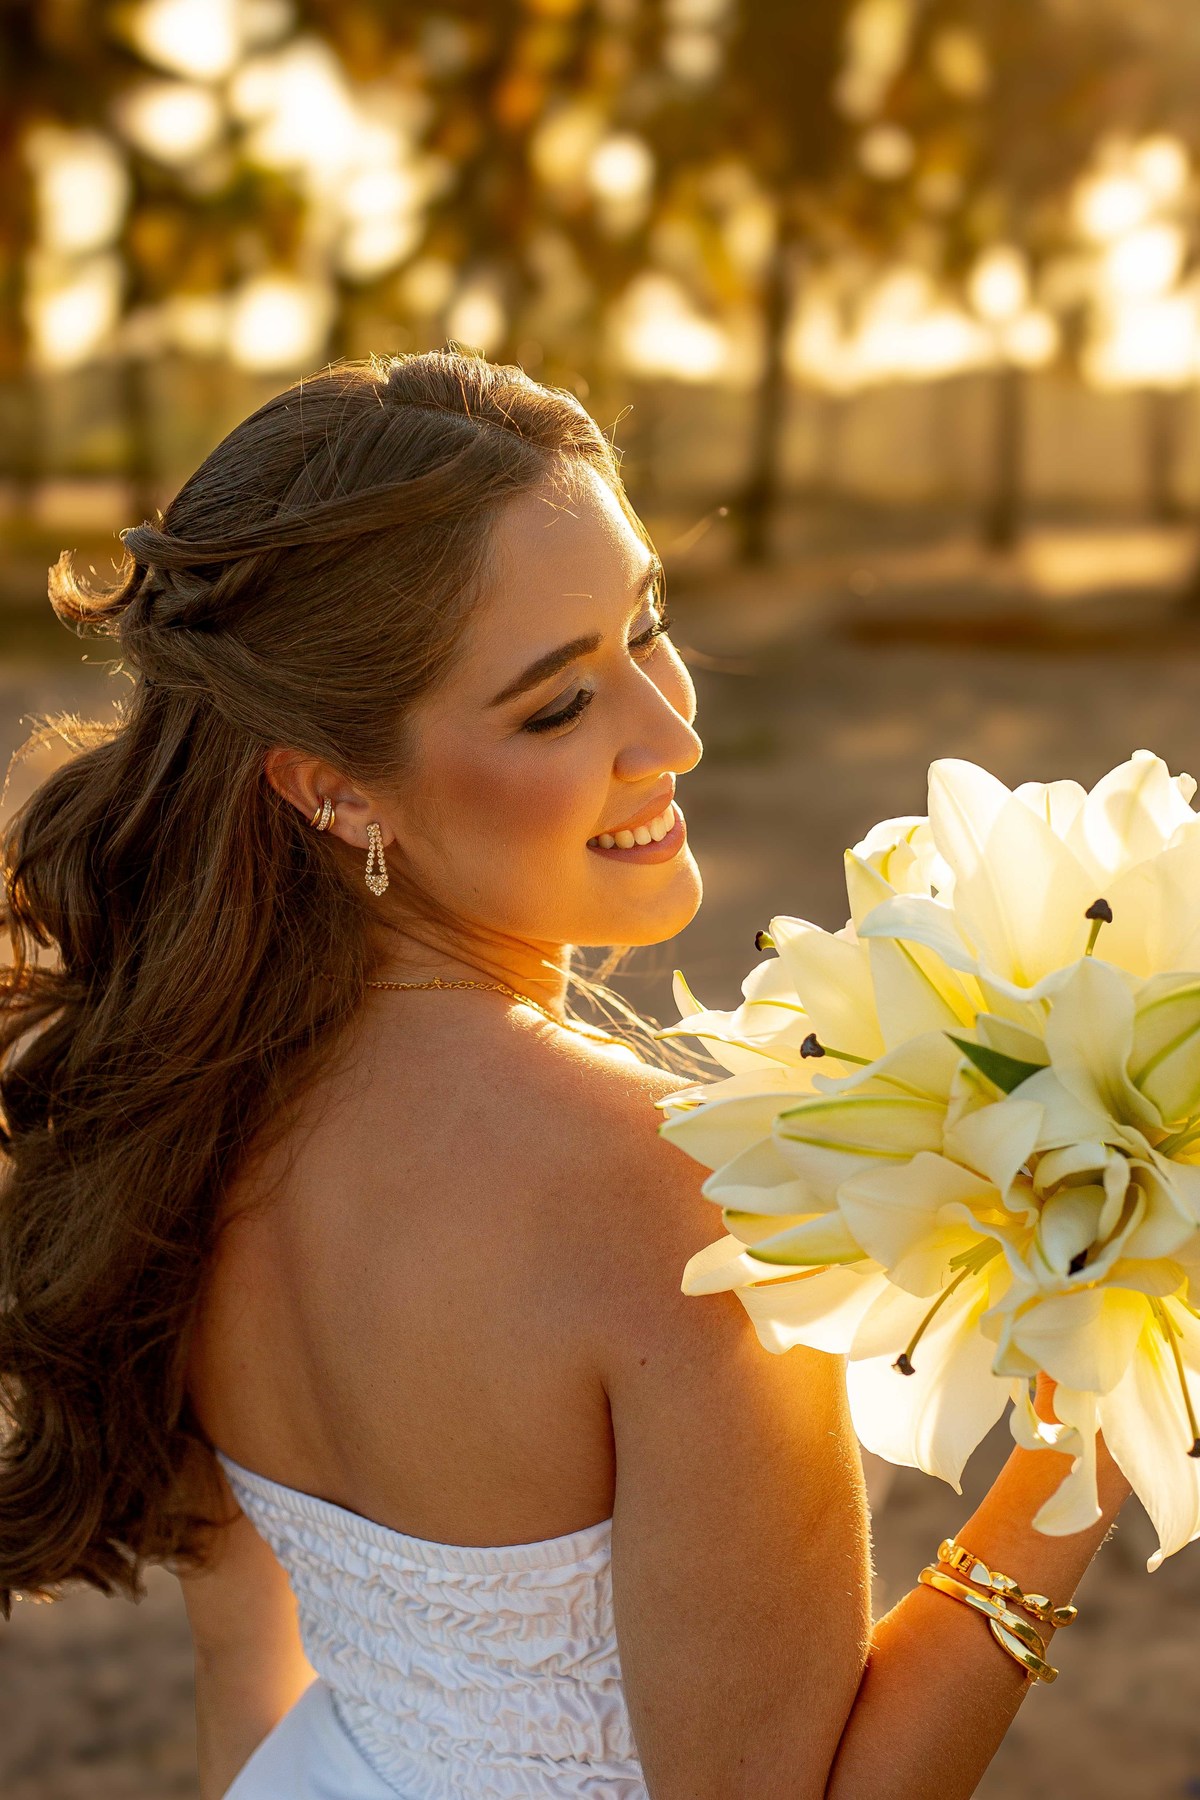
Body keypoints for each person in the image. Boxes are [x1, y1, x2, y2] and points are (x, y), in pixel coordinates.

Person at [0, 348, 1129, 1800]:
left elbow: (245, 1681)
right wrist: (1095, 1439)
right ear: (333, 788)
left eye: (647, 627)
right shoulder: (678, 1191)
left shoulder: (185, 1103)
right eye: (557, 706)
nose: (675, 732)